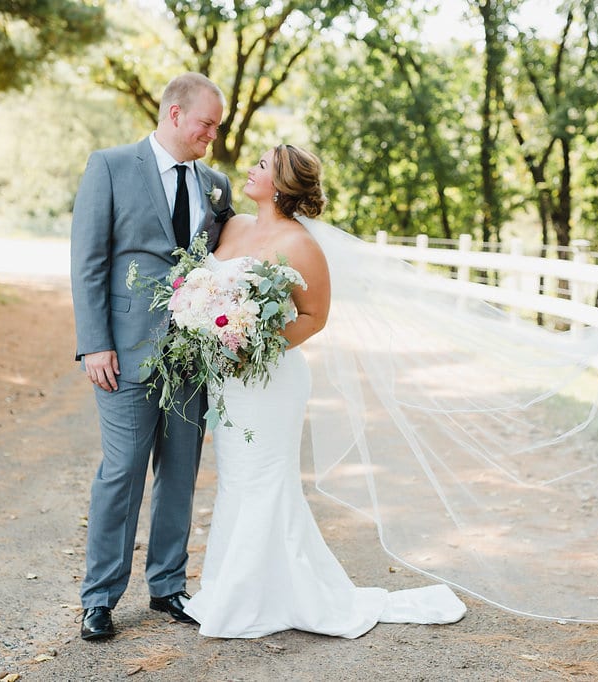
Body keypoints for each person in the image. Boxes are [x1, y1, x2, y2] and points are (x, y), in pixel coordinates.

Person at [181, 144, 467, 638]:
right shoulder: (232, 228)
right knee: (235, 479)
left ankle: (257, 598)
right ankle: (233, 586)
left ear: (282, 184)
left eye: (263, 166)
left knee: (265, 480)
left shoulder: (300, 245)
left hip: (270, 380)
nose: (251, 169)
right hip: (227, 381)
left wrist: (255, 348)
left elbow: (315, 317)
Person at [69, 72, 234, 641]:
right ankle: (100, 597)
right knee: (122, 471)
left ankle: (167, 585)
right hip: (122, 352)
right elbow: (88, 260)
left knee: (181, 471)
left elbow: (223, 265)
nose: (212, 134)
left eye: (216, 126)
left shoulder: (216, 185)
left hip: (191, 354)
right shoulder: (110, 167)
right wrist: (94, 342)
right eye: (206, 124)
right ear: (174, 115)